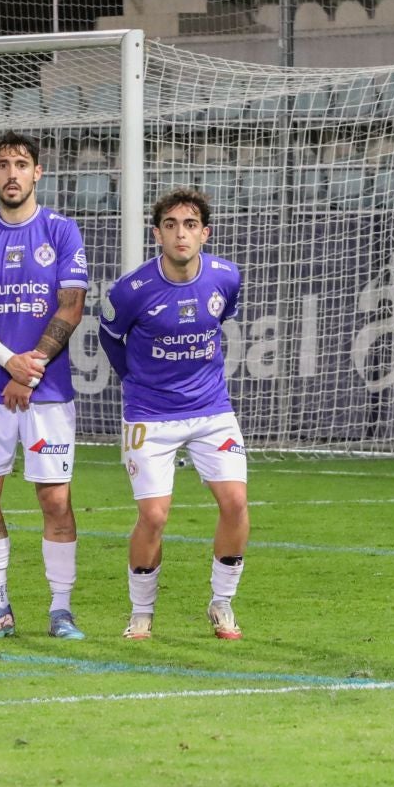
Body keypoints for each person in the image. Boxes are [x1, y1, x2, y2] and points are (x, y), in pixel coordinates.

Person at [0, 131, 89, 640]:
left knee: (54, 499)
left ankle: (61, 608)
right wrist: (11, 363)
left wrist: (33, 368)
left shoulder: (61, 231)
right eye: (2, 164)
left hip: (47, 390)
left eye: (21, 164)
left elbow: (71, 305)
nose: (12, 173)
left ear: (37, 173)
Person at [97, 187, 249, 641]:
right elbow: (109, 338)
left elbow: (220, 322)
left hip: (210, 409)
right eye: (170, 225)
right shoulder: (130, 291)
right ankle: (141, 612)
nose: (180, 234)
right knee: (155, 516)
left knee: (236, 503)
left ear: (204, 233)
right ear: (157, 233)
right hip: (150, 414)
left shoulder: (226, 276)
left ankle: (221, 604)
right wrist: (136, 381)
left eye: (189, 225)